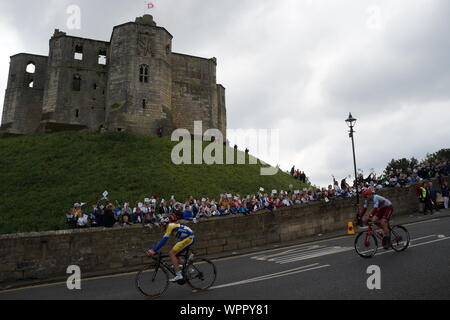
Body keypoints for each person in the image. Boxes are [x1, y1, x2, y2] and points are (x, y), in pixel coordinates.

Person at [147, 217, 195, 282]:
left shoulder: (170, 226)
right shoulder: (170, 226)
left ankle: (178, 275)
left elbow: (164, 240)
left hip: (189, 238)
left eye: (161, 225)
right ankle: (189, 268)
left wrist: (153, 250)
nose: (161, 227)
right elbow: (163, 240)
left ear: (164, 224)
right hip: (185, 238)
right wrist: (154, 249)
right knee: (176, 255)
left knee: (171, 253)